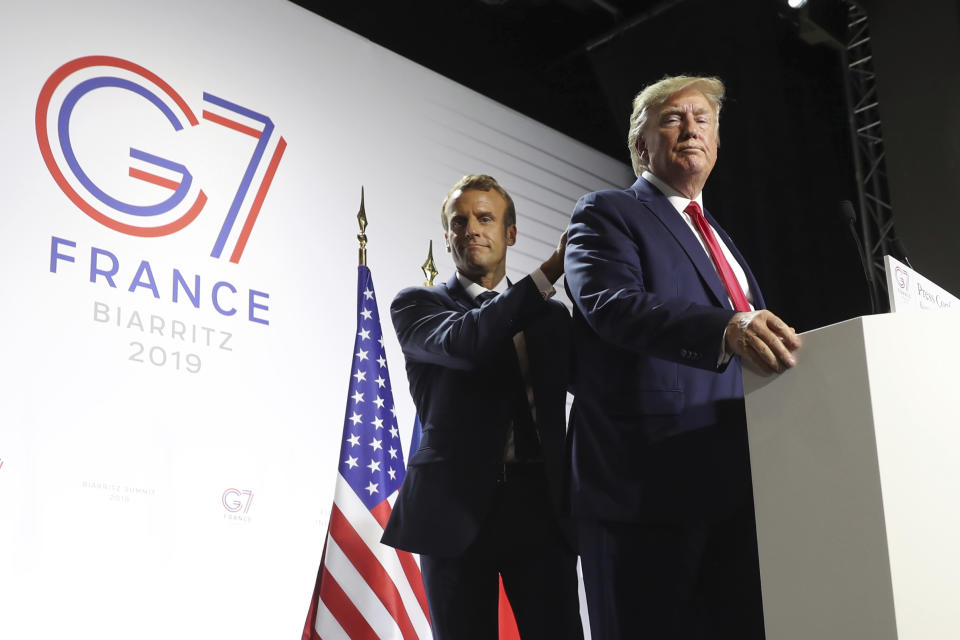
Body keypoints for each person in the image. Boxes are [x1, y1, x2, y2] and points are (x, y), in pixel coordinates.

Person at [564, 75, 803, 639]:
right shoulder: (607, 212)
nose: (691, 128)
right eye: (672, 118)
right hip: (646, 487)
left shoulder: (720, 238)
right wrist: (729, 326)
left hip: (736, 486)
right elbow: (611, 304)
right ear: (641, 146)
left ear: (717, 144)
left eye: (703, 119)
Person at [382, 174, 582, 640]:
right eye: (460, 221)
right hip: (452, 511)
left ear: (509, 234)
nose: (472, 228)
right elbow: (470, 340)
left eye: (485, 218)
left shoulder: (551, 317)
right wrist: (552, 269)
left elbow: (596, 385)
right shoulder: (417, 305)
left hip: (541, 508)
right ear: (448, 238)